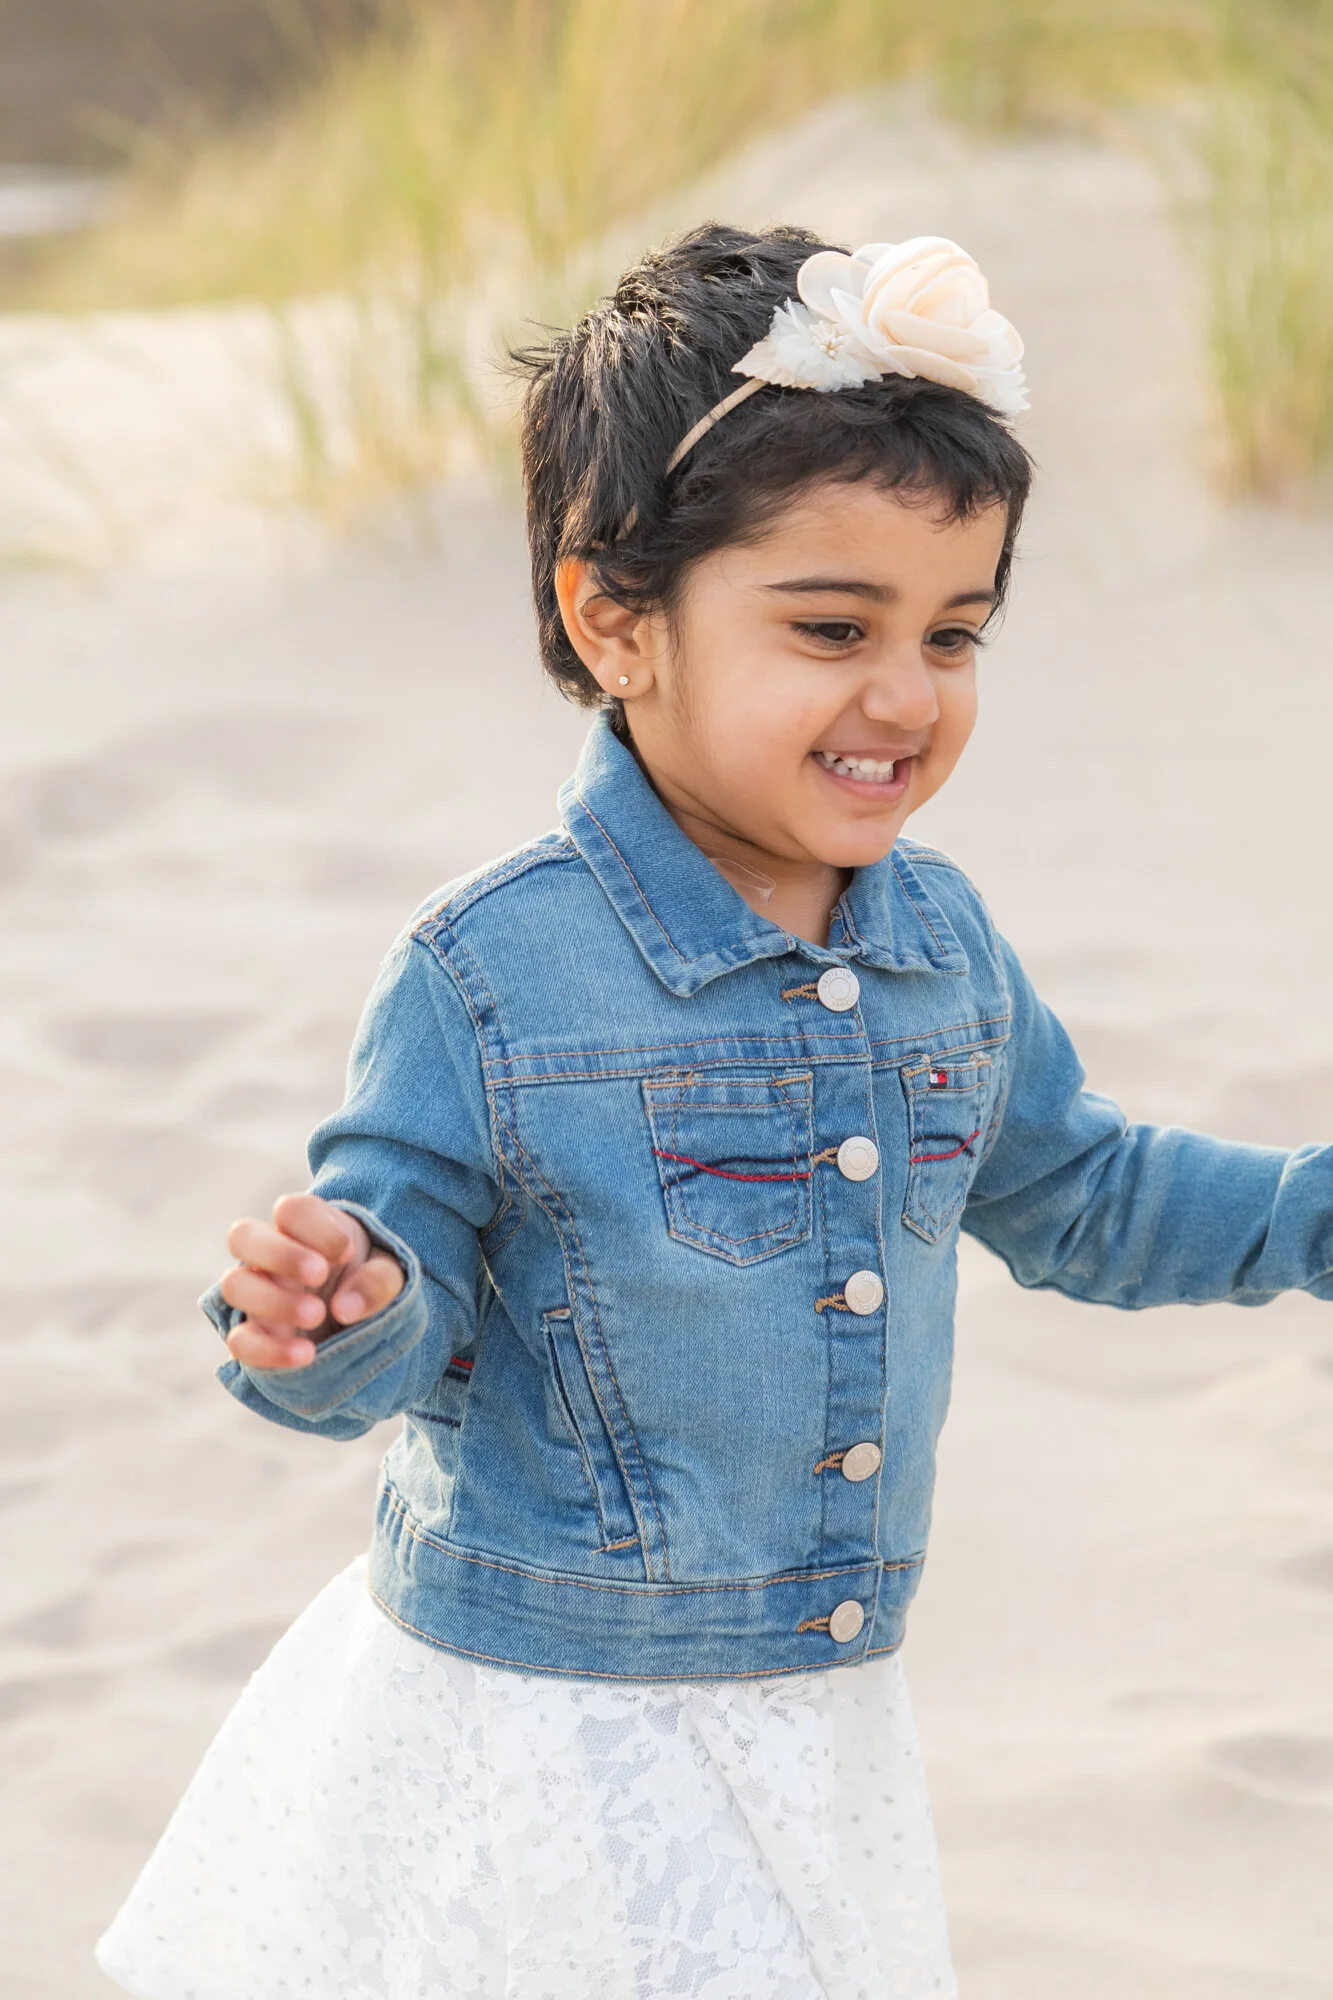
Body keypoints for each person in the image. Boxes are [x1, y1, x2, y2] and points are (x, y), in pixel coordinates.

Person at [96, 223, 1330, 2000]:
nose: (904, 696)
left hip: (814, 1707)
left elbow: (1086, 1193)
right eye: (833, 627)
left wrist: (1311, 1212)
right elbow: (396, 1289)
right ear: (618, 622)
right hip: (555, 1720)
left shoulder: (944, 945)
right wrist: (329, 1313)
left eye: (955, 633)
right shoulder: (493, 969)